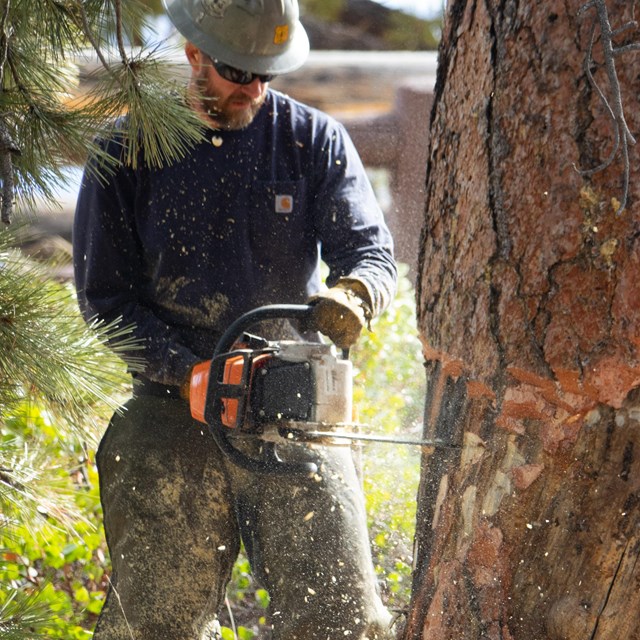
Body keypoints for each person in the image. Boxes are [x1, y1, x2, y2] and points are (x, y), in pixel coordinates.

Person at [73, 0, 398, 638]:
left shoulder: (310, 140)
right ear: (193, 54)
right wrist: (191, 372)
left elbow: (371, 250)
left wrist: (358, 293)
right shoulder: (124, 152)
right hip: (173, 406)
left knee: (342, 615)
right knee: (157, 622)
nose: (253, 88)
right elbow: (105, 301)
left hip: (292, 407)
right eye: (236, 71)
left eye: (266, 74)